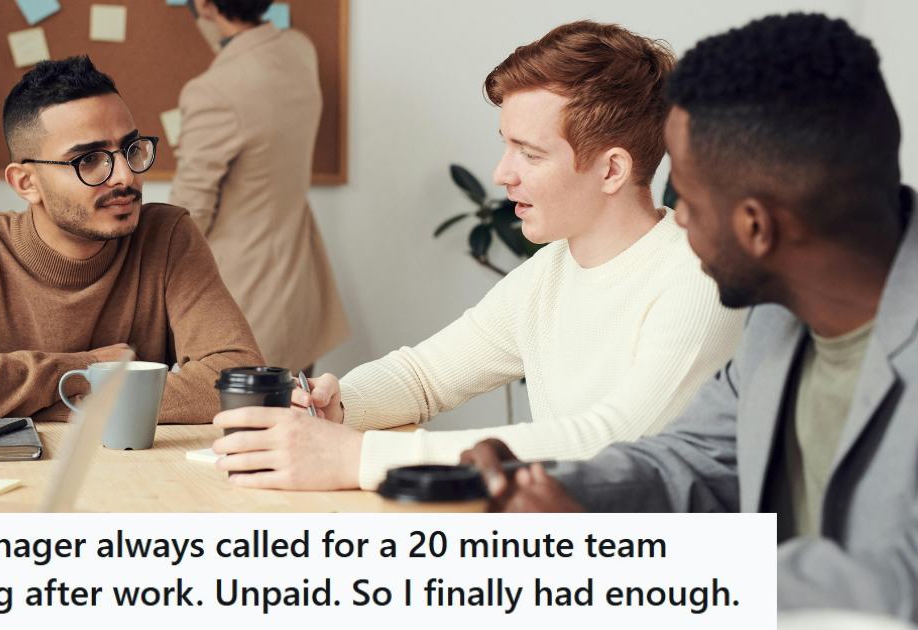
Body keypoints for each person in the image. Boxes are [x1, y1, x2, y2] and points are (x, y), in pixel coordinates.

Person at [462, 14, 918, 622]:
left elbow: (899, 585)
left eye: (690, 202)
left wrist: (637, 565)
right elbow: (693, 460)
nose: (676, 220)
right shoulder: (779, 323)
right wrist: (549, 488)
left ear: (756, 227)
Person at [211, 21, 745, 490]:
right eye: (506, 145)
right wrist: (341, 403)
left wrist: (360, 458)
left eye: (530, 154)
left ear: (612, 170)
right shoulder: (550, 272)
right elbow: (426, 377)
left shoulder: (697, 280)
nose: (502, 174)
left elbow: (611, 445)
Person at [0, 56, 263, 430]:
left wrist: (38, 403)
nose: (125, 176)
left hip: (127, 481)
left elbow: (239, 379)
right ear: (26, 183)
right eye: (89, 159)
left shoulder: (167, 237)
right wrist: (84, 369)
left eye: (130, 148)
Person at [169, 0, 350, 375]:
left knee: (237, 429)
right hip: (300, 290)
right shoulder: (299, 49)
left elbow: (191, 213)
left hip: (245, 301)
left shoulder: (212, 91)